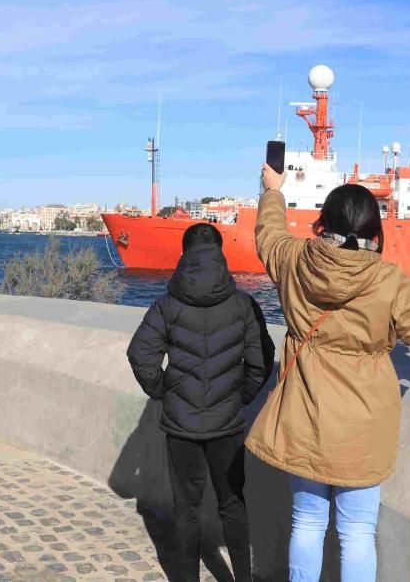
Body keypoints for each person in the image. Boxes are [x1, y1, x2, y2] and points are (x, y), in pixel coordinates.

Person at [247, 167, 410, 581]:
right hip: (363, 422)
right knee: (357, 531)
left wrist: (274, 192)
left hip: (304, 414)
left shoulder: (293, 260)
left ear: (322, 224)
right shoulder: (388, 279)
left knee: (305, 522)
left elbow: (267, 235)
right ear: (375, 233)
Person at [127, 222, 274, 582]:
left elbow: (140, 355)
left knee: (186, 510)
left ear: (185, 254)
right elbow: (261, 361)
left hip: (181, 426)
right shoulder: (243, 305)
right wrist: (240, 398)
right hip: (226, 424)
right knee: (233, 504)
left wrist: (164, 390)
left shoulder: (167, 305)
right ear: (220, 253)